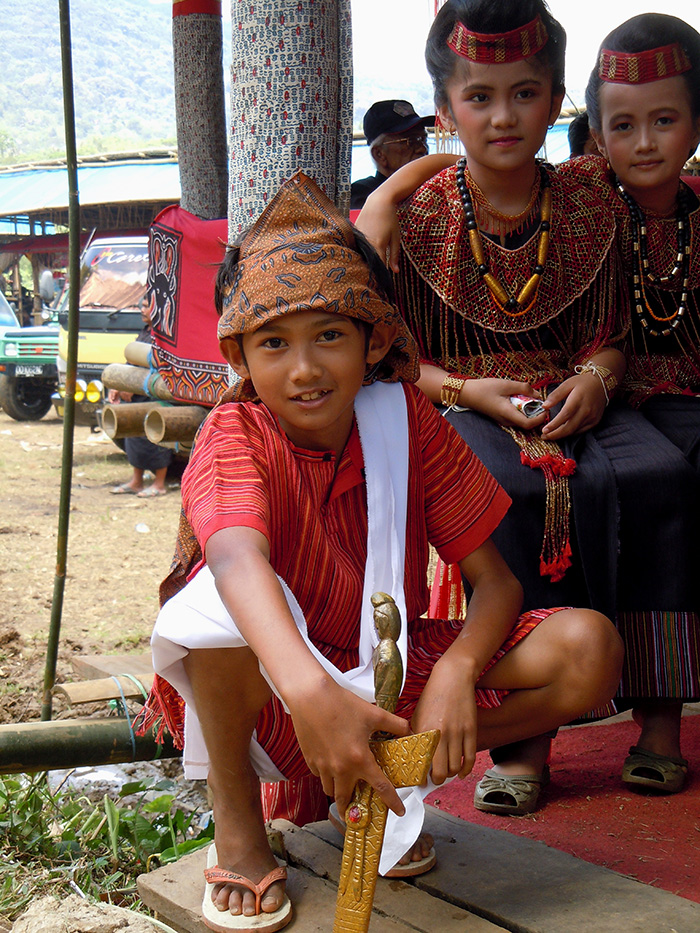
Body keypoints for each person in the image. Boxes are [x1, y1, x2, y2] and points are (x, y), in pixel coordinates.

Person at [139, 171, 622, 930]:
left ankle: (378, 784)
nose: (304, 368)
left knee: (587, 647)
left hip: (393, 689)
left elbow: (494, 583)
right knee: (210, 611)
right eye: (274, 343)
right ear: (241, 356)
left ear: (372, 340)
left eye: (330, 335)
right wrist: (315, 696)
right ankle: (236, 826)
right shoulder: (235, 433)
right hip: (279, 700)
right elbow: (234, 560)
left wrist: (456, 674)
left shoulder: (405, 417)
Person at [356, 0, 699, 814]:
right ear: (447, 111)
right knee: (507, 490)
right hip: (458, 403)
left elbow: (613, 334)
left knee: (661, 476)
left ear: (554, 103)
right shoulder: (417, 219)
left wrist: (597, 378)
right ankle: (523, 738)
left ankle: (659, 719)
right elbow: (397, 359)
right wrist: (470, 391)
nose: (504, 116)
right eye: (480, 98)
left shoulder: (591, 203)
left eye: (525, 94)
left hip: (575, 393)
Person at [559, 12, 700, 791]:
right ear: (596, 131)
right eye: (623, 124)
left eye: (665, 119)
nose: (643, 141)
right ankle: (649, 720)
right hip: (600, 403)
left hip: (686, 402)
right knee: (652, 484)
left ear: (696, 124)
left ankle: (660, 716)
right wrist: (384, 195)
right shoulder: (575, 207)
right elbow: (462, 177)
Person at [110, 302, 173, 498]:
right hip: (136, 393)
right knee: (134, 435)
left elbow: (162, 366)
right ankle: (137, 481)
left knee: (155, 437)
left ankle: (159, 483)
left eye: (147, 306)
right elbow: (132, 362)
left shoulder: (166, 335)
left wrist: (136, 385)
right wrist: (120, 385)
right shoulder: (145, 331)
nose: (142, 310)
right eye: (141, 306)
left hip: (156, 393)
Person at [350, 99, 435, 209]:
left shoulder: (434, 188)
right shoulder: (362, 195)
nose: (423, 149)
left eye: (423, 139)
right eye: (411, 141)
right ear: (379, 154)